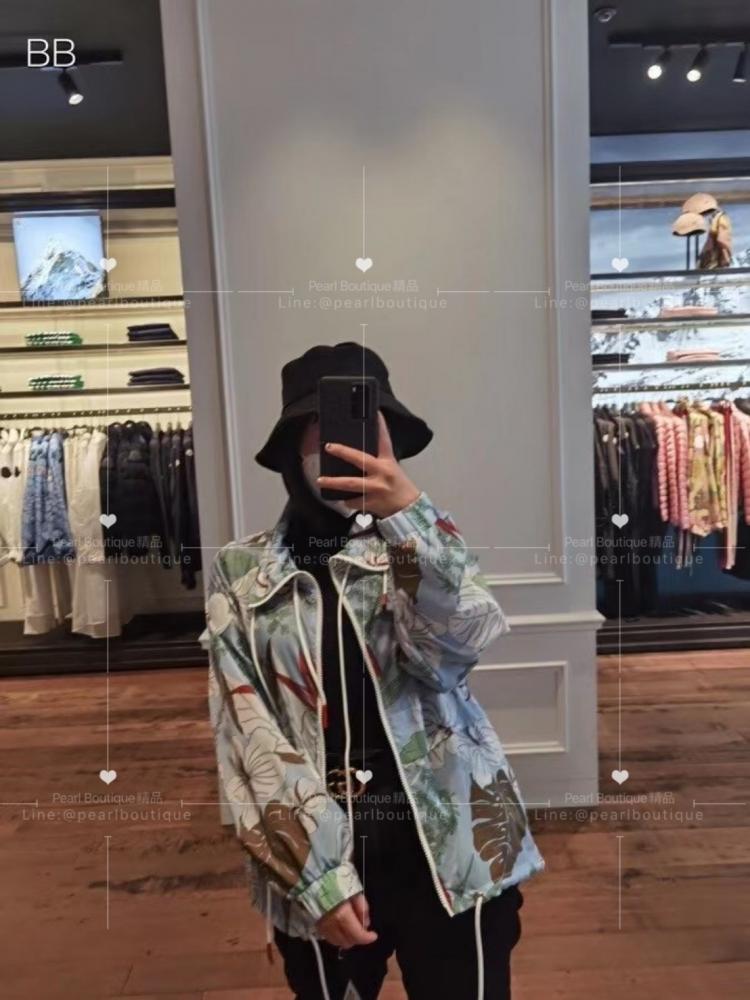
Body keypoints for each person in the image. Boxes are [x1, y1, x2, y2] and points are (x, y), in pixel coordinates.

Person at [205, 342, 544, 1000]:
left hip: (451, 849)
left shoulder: (412, 544)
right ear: (291, 444)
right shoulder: (241, 571)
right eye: (321, 422)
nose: (341, 439)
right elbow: (246, 733)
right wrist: (317, 877)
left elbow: (455, 653)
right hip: (315, 855)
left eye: (366, 418)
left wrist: (409, 516)